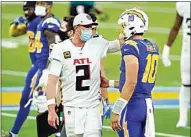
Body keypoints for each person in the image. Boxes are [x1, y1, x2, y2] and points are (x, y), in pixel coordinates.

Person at [46, 13, 121, 137]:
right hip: (72, 108)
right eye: (85, 27)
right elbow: (52, 82)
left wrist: (132, 26)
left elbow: (119, 44)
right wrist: (51, 109)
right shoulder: (60, 49)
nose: (89, 30)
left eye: (91, 27)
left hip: (93, 108)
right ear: (76, 28)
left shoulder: (98, 44)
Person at [101, 8, 158, 137]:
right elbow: (138, 80)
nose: (121, 30)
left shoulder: (130, 46)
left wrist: (117, 110)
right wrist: (109, 83)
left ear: (131, 26)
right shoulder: (151, 46)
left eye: (123, 26)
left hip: (131, 105)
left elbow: (131, 83)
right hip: (147, 105)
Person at [33, 16, 75, 137]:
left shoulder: (73, 48)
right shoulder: (59, 45)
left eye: (62, 28)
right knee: (42, 103)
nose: (59, 30)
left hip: (68, 84)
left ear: (70, 32)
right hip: (55, 77)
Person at [8, 2, 41, 137]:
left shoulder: (43, 22)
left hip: (44, 67)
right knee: (26, 101)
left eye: (30, 9)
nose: (27, 12)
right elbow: (13, 33)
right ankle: (13, 133)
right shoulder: (32, 22)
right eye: (25, 10)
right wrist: (15, 23)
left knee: (47, 105)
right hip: (35, 67)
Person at [161, 2, 190, 128]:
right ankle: (182, 118)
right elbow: (176, 26)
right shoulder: (183, 4)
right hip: (187, 49)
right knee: (186, 82)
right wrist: (167, 47)